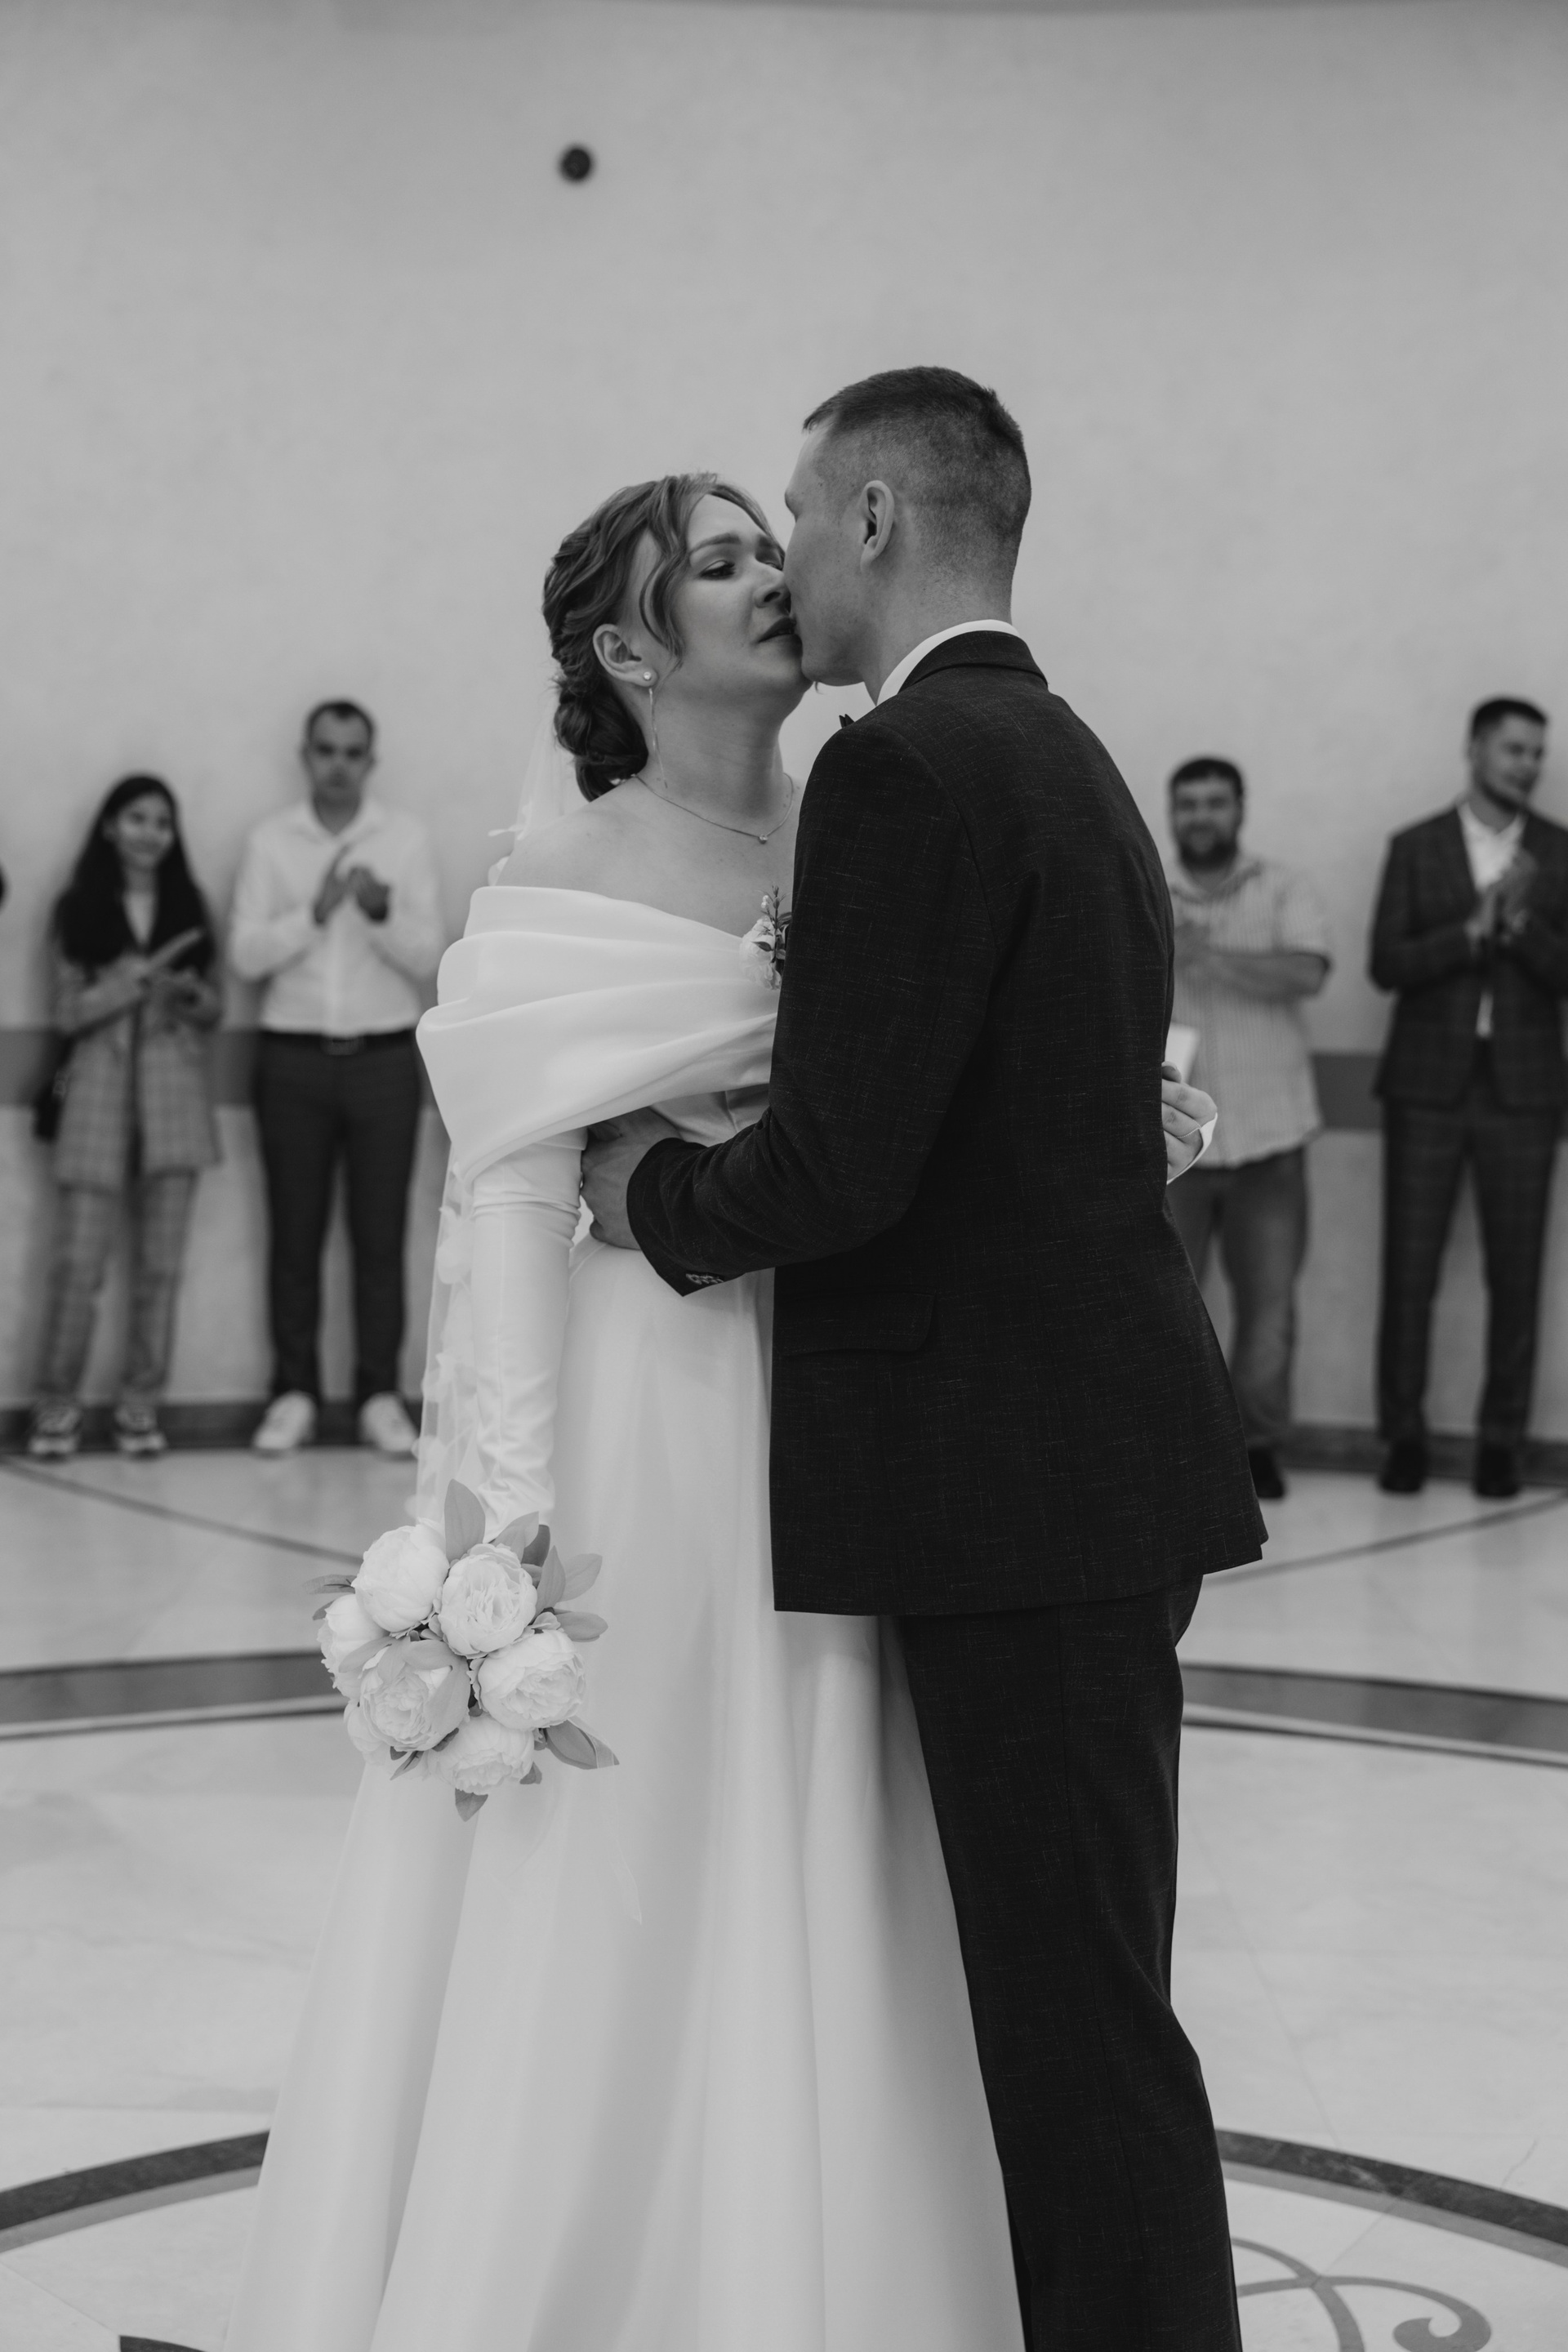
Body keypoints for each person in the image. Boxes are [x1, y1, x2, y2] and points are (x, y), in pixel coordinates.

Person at [227, 462, 1222, 2352]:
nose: (768, 571)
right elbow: (513, 1196)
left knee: (854, 1829)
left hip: (864, 1409)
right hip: (661, 1416)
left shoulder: (870, 813)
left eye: (772, 540)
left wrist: (1104, 1117)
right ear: (626, 649)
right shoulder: (559, 873)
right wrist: (507, 1530)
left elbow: (922, 1114)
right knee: (651, 1839)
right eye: (716, 559)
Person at [583, 370, 1265, 2350]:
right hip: (1084, 1466)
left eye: (797, 516)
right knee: (1080, 2006)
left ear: (874, 519)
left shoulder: (904, 768)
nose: (789, 557)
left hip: (1020, 1489)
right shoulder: (1057, 743)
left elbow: (841, 1164)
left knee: (1076, 2035)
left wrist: (647, 1195)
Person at [229, 699, 444, 1458]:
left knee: (380, 1236)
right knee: (295, 1234)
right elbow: (244, 955)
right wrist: (314, 915)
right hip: (290, 1059)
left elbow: (429, 957)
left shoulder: (405, 839)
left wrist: (380, 915)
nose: (339, 765)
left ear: (370, 761)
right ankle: (293, 1393)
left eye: (353, 752)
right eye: (326, 750)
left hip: (385, 1059)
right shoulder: (270, 842)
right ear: (306, 755)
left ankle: (379, 1396)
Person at [1370, 697, 1568, 1499]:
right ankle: (1402, 1439)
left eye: (1537, 753)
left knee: (1516, 1275)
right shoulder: (1415, 847)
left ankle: (1501, 1444)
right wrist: (1471, 932)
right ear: (1476, 748)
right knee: (1408, 1271)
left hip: (1525, 1091)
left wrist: (1516, 926)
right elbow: (1387, 963)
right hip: (1425, 1087)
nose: (1529, 765)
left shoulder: (1558, 851)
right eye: (1516, 749)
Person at [28, 775, 221, 1459]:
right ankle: (56, 1406)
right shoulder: (77, 907)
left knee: (160, 1271)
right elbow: (67, 1012)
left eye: (162, 822)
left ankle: (141, 1405)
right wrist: (134, 980)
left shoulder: (189, 904)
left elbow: (216, 1008)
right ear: (110, 826)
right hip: (95, 1103)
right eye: (136, 818)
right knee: (77, 1268)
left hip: (173, 1102)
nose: (150, 833)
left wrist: (188, 993)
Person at [1164, 756, 1332, 1501]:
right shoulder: (1145, 888)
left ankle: (1258, 1447)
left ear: (1240, 809)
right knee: (1167, 1305)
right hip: (1173, 1145)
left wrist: (1208, 956)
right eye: (1188, 804)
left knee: (1269, 1309)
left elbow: (1307, 973)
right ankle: (1177, 1444)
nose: (1201, 816)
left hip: (1272, 1136)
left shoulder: (1283, 888)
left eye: (1215, 803)